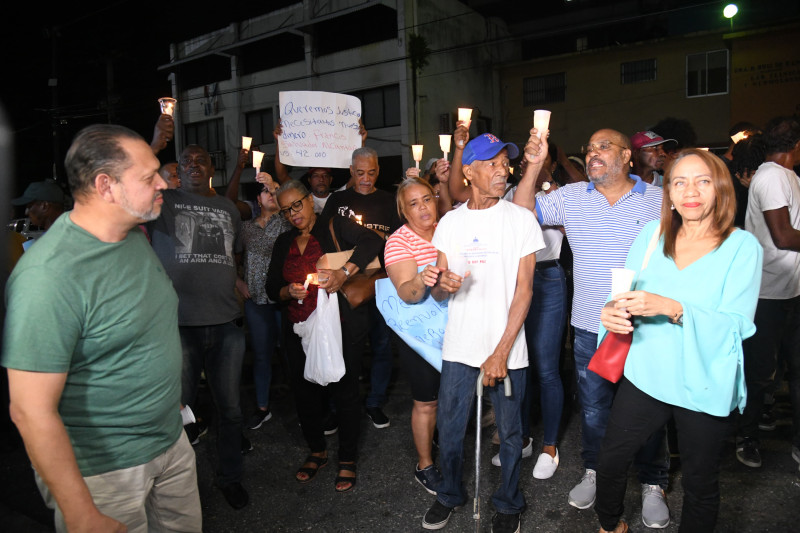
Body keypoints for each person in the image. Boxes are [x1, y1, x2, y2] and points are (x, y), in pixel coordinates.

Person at [2, 124, 201, 532]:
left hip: (170, 443)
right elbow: (29, 411)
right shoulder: (49, 276)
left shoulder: (131, 238)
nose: (163, 181)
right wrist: (80, 513)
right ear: (105, 185)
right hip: (106, 473)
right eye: (149, 177)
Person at [595, 148, 762, 533]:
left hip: (702, 381)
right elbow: (621, 297)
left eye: (703, 181)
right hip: (647, 373)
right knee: (611, 459)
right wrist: (610, 313)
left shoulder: (742, 247)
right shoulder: (651, 236)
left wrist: (674, 307)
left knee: (700, 484)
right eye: (679, 181)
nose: (691, 191)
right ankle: (609, 525)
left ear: (720, 189)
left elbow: (737, 326)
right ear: (667, 192)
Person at [513, 128, 669, 527]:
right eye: (589, 148)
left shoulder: (659, 200)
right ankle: (595, 472)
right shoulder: (570, 197)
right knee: (596, 408)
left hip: (647, 326)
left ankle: (653, 482)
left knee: (650, 408)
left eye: (604, 146)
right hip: (588, 328)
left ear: (627, 157)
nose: (593, 152)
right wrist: (533, 165)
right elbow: (521, 211)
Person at [421, 133, 545, 533]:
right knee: (451, 430)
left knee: (510, 435)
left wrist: (501, 352)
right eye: (491, 163)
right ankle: (450, 493)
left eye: (504, 162)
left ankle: (509, 502)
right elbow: (440, 289)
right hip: (459, 346)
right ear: (469, 171)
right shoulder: (451, 222)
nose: (502, 169)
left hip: (508, 349)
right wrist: (441, 284)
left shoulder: (521, 219)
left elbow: (524, 291)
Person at [148, 144, 250, 510]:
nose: (192, 165)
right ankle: (171, 489)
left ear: (211, 167)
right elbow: (135, 185)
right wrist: (155, 142)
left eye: (200, 160)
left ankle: (231, 478)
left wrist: (238, 282)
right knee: (176, 411)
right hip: (178, 326)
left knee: (231, 410)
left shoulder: (226, 208)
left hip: (225, 324)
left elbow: (231, 253)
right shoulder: (163, 202)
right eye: (185, 161)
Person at [266, 179, 384, 492]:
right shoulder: (284, 242)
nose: (293, 214)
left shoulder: (334, 225)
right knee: (304, 392)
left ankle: (347, 458)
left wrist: (345, 272)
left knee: (344, 390)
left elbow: (373, 243)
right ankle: (316, 450)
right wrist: (287, 291)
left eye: (297, 205)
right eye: (285, 211)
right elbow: (270, 288)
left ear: (309, 201)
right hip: (299, 327)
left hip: (340, 325)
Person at [491, 143, 569, 480]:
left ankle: (550, 446)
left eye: (536, 159)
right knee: (518, 362)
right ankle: (522, 437)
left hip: (549, 276)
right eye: (523, 160)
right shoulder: (508, 193)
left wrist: (547, 178)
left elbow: (570, 231)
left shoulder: (562, 194)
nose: (528, 163)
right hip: (514, 278)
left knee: (547, 368)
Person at [319, 146, 402, 429]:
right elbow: (324, 235)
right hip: (345, 285)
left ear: (378, 170)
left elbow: (399, 241)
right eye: (360, 172)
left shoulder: (391, 201)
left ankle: (375, 402)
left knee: (381, 345)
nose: (365, 178)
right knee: (343, 348)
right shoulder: (338, 199)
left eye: (371, 172)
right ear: (351, 172)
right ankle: (337, 405)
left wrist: (375, 237)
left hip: (380, 283)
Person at [737, 115, 800, 469]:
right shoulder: (773, 176)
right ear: (795, 145)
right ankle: (747, 437)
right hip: (767, 293)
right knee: (760, 373)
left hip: (791, 290)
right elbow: (783, 236)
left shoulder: (786, 175)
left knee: (792, 371)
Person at [384, 177, 444, 494]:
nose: (423, 207)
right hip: (419, 334)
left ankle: (439, 442)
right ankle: (425, 464)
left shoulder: (448, 228)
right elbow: (406, 292)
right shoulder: (398, 242)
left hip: (454, 328)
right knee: (427, 401)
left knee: (449, 395)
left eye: (427, 198)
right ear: (403, 212)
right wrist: (421, 278)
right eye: (413, 203)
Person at [238, 175, 291, 430]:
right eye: (266, 192)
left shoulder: (286, 222)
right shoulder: (246, 227)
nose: (271, 195)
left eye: (274, 192)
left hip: (283, 298)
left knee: (291, 352)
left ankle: (302, 403)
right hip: (257, 300)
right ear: (257, 199)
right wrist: (238, 283)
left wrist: (275, 186)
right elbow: (233, 256)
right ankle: (262, 406)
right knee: (261, 355)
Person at [11, 180, 67, 250]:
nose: (26, 212)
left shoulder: (56, 242)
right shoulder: (72, 234)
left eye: (29, 206)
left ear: (44, 206)